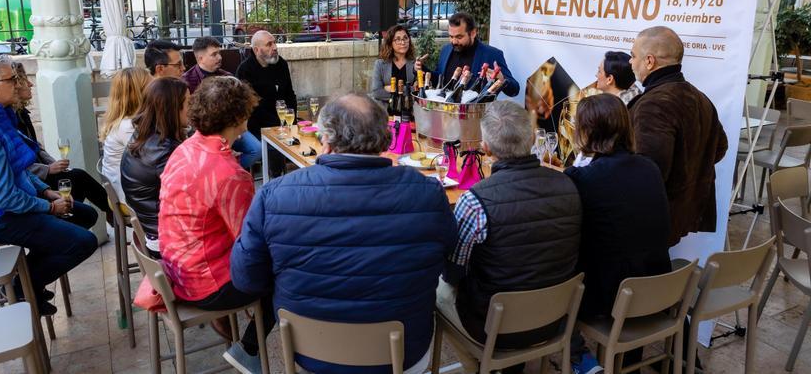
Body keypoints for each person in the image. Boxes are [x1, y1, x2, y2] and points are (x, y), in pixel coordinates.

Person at [230, 93, 458, 374]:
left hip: (310, 354)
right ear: (384, 137)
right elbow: (450, 262)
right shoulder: (429, 193)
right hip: (402, 355)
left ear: (326, 139)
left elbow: (246, 279)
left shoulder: (273, 195)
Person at [0, 54, 96, 316]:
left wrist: (45, 191)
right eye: (11, 79)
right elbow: (3, 197)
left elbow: (17, 168)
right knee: (84, 242)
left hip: (8, 204)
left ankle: (28, 276)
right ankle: (20, 286)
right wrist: (48, 208)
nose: (18, 83)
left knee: (86, 214)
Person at [438, 100, 581, 368]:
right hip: (554, 319)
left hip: (494, 327)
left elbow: (453, 272)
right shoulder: (569, 184)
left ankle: (480, 365)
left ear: (486, 148)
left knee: (437, 291)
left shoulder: (475, 200)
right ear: (531, 140)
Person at [158, 76, 274, 374]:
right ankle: (249, 348)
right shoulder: (231, 175)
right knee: (287, 272)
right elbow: (251, 245)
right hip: (204, 284)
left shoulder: (184, 149)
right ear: (239, 116)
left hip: (174, 269)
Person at [564, 94, 672, 374]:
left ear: (587, 131)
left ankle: (578, 359)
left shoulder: (583, 179)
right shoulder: (649, 167)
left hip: (610, 299)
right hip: (658, 289)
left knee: (545, 272)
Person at [628, 26, 727, 246]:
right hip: (684, 210)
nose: (630, 62)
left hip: (655, 218)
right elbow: (720, 147)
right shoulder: (699, 97)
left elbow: (649, 172)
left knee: (642, 277)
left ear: (649, 61)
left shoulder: (654, 105)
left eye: (633, 56)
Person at [11, 62, 110, 227]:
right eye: (24, 81)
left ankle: (99, 215)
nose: (30, 84)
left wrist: (51, 164)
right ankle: (112, 213)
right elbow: (14, 165)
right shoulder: (8, 120)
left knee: (75, 183)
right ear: (15, 86)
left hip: (38, 178)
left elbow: (37, 148)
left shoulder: (21, 114)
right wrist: (48, 169)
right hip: (31, 184)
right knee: (77, 179)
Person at [120, 77, 189, 257]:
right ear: (172, 109)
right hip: (165, 239)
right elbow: (191, 199)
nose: (193, 108)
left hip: (150, 225)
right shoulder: (165, 151)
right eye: (188, 103)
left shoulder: (144, 135)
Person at [181, 36, 262, 171]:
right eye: (214, 54)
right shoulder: (187, 82)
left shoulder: (227, 77)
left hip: (231, 125)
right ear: (200, 58)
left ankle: (229, 171)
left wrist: (236, 128)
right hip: (205, 131)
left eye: (219, 53)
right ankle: (222, 171)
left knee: (257, 149)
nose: (219, 57)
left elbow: (239, 106)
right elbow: (189, 116)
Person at [236, 30, 297, 176]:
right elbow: (252, 107)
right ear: (257, 50)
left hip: (283, 122)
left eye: (274, 42)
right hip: (257, 124)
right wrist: (277, 124)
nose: (275, 47)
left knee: (303, 138)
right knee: (275, 146)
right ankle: (275, 179)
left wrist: (291, 119)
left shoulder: (281, 64)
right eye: (269, 44)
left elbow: (290, 94)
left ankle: (294, 178)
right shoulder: (245, 70)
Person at [415, 12, 519, 97]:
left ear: (473, 33)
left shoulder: (492, 54)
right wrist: (421, 69)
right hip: (445, 115)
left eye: (459, 37)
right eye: (451, 36)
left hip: (476, 117)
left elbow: (514, 90)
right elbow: (439, 79)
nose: (454, 41)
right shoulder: (446, 50)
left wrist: (502, 80)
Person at [99, 67, 152, 204]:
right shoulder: (128, 126)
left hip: (127, 188)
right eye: (150, 86)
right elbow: (152, 160)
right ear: (139, 93)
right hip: (129, 197)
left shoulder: (128, 122)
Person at [370, 24, 417, 102]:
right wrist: (407, 90)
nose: (403, 42)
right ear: (390, 43)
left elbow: (417, 90)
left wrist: (392, 89)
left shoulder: (415, 64)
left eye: (405, 38)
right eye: (398, 39)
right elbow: (377, 92)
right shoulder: (380, 64)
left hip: (409, 110)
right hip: (386, 111)